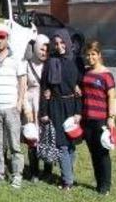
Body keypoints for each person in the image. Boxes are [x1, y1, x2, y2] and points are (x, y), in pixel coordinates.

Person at [40, 30, 82, 191]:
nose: (59, 46)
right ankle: (67, 180)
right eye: (56, 44)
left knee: (71, 143)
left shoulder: (76, 61)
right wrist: (44, 111)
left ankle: (68, 176)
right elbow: (45, 87)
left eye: (62, 42)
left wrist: (79, 111)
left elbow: (80, 88)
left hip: (71, 106)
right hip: (56, 106)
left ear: (67, 42)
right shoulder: (51, 62)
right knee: (62, 144)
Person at [0, 28, 27, 188]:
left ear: (7, 39)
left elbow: (22, 80)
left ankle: (17, 174)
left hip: (11, 107)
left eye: (2, 38)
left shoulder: (16, 59)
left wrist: (20, 102)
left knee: (15, 144)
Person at [81, 40, 116, 195]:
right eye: (88, 55)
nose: (90, 57)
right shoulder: (86, 72)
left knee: (102, 153)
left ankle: (105, 186)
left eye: (93, 54)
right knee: (93, 153)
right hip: (87, 119)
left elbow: (112, 97)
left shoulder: (106, 75)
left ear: (99, 55)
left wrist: (111, 117)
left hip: (101, 119)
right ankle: (98, 183)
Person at [24, 35, 50, 181]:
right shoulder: (27, 64)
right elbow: (23, 87)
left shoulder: (50, 64)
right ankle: (34, 171)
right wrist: (25, 106)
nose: (43, 52)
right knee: (32, 137)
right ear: (35, 48)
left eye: (46, 50)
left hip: (46, 105)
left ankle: (47, 170)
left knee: (47, 137)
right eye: (41, 49)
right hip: (32, 105)